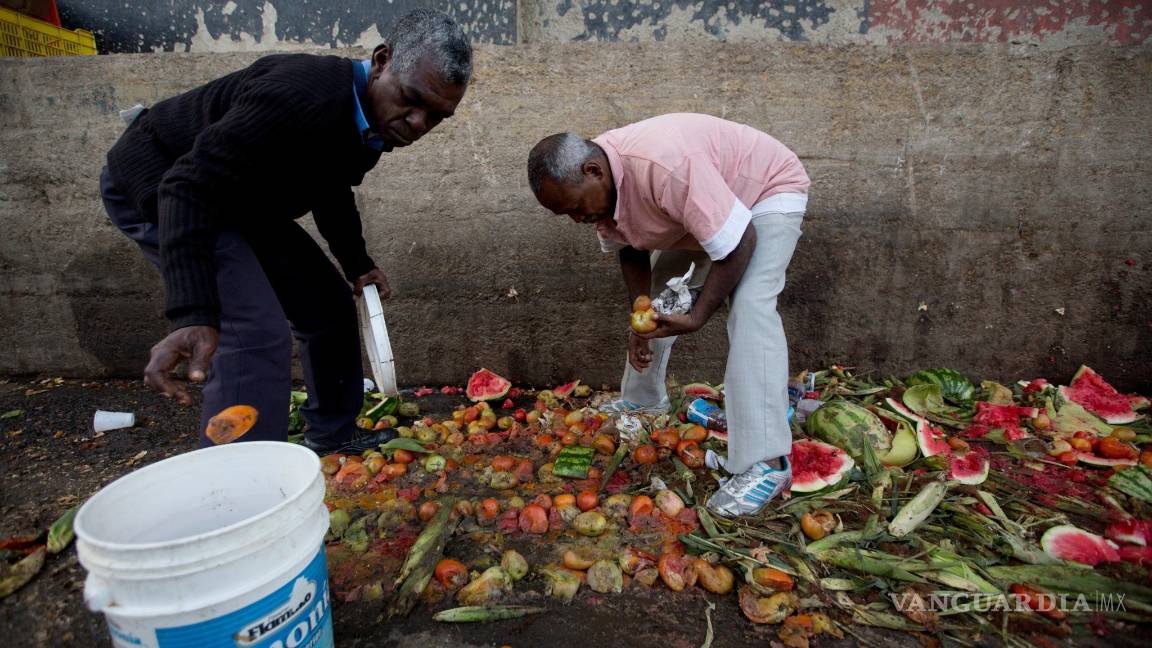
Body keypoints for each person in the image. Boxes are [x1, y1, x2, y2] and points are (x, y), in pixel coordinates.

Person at [100, 9, 472, 454]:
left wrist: (357, 263)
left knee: (327, 303)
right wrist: (194, 311)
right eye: (411, 99)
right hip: (166, 183)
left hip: (240, 199)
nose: (417, 124)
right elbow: (185, 186)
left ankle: (332, 435)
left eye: (436, 116)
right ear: (382, 60)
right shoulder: (298, 95)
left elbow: (330, 185)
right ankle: (241, 487)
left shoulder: (372, 123)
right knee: (252, 331)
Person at [526, 113, 810, 516]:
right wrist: (639, 314)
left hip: (763, 191)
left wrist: (697, 316)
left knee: (749, 304)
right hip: (703, 206)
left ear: (594, 171)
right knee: (658, 298)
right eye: (566, 215)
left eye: (575, 208)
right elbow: (630, 247)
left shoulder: (665, 166)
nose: (577, 219)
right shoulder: (600, 184)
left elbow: (740, 241)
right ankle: (644, 402)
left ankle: (766, 462)